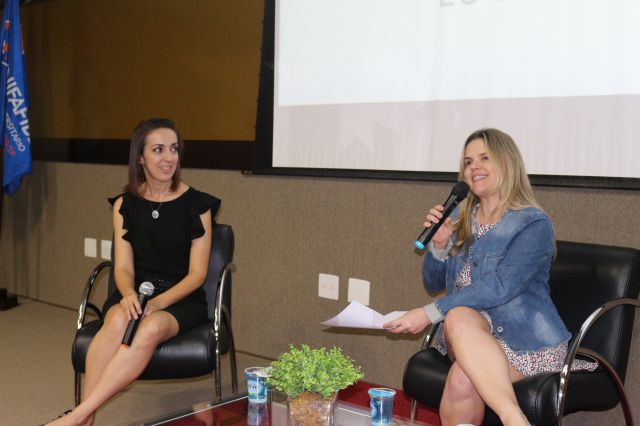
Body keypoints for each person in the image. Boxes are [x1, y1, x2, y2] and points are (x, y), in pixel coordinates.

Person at [384, 128, 594, 426]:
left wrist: (430, 313)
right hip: (466, 336)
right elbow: (433, 283)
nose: (474, 167)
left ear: (507, 163)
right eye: (468, 162)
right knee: (458, 317)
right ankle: (515, 419)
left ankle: (512, 418)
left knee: (462, 377)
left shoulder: (533, 223)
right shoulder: (459, 220)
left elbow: (500, 287)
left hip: (525, 342)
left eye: (484, 158)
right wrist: (440, 245)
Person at [45, 118, 220, 426]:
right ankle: (87, 418)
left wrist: (159, 302)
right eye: (158, 149)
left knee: (149, 328)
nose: (169, 158)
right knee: (115, 321)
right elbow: (123, 267)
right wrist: (127, 295)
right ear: (140, 157)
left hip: (180, 299)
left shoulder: (198, 205)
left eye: (174, 149)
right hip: (135, 291)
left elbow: (197, 275)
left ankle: (79, 416)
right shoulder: (125, 204)